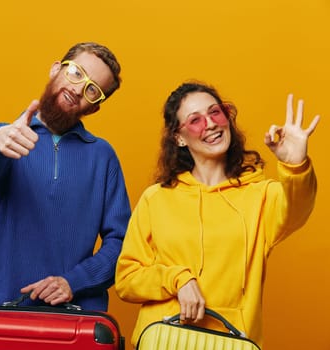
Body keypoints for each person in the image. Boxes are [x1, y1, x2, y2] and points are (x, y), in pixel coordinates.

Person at [115, 81, 319, 348]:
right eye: (195, 120)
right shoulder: (156, 198)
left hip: (230, 342)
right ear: (178, 137)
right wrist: (177, 279)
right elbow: (126, 279)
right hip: (165, 339)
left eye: (215, 113)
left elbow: (298, 209)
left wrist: (295, 165)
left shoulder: (260, 195)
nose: (210, 124)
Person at [0, 42, 131, 311]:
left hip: (77, 318)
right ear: (56, 69)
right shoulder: (12, 136)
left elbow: (123, 243)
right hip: (3, 312)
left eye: (92, 89)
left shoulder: (103, 157)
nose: (78, 89)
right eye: (77, 73)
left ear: (94, 107)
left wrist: (74, 282)